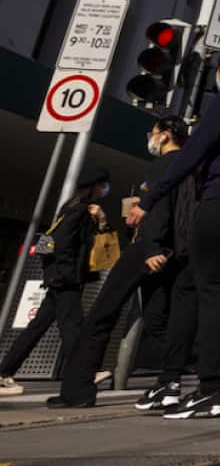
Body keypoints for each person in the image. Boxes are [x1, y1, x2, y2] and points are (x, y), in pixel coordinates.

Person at [127, 46, 220, 419]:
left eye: (216, 72)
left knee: (207, 292)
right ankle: (170, 379)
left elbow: (193, 154)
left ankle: (209, 388)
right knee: (191, 285)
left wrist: (150, 200)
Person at [52, 118, 201, 408]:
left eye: (154, 133)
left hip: (147, 248)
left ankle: (77, 390)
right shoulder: (188, 165)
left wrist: (151, 246)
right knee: (158, 319)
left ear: (166, 135)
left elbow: (160, 209)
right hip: (172, 251)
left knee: (101, 314)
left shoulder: (164, 164)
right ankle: (184, 372)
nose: (150, 138)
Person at [0, 167, 111, 396]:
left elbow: (58, 243)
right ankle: (85, 372)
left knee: (37, 327)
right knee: (73, 326)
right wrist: (64, 274)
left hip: (59, 277)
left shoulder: (72, 208)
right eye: (103, 185)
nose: (104, 190)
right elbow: (59, 243)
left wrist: (101, 222)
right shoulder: (79, 210)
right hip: (65, 279)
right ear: (96, 185)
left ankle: (3, 373)